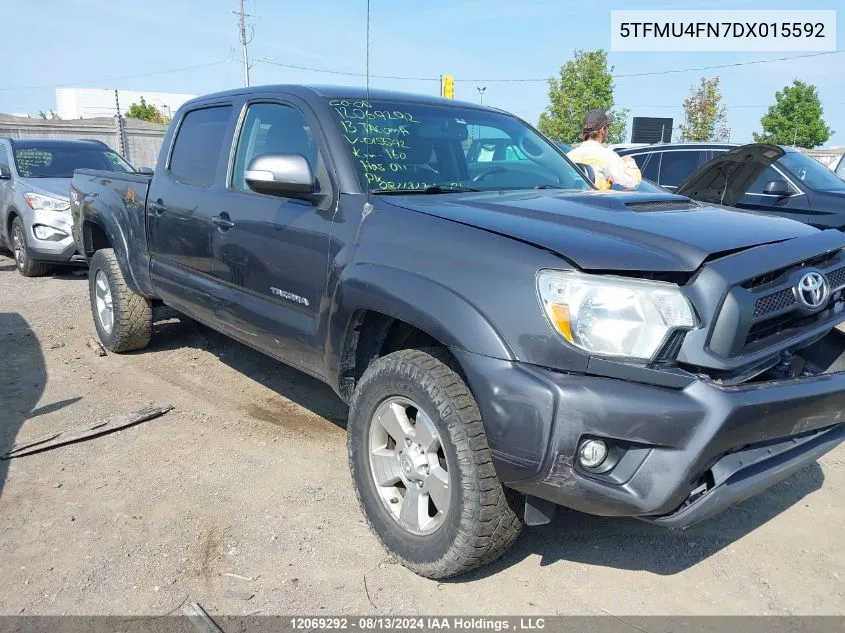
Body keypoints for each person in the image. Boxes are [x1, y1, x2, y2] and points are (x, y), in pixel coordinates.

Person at [567, 109, 641, 191]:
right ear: (602, 130)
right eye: (607, 127)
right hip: (597, 202)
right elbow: (631, 184)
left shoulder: (569, 156)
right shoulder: (608, 156)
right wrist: (631, 164)